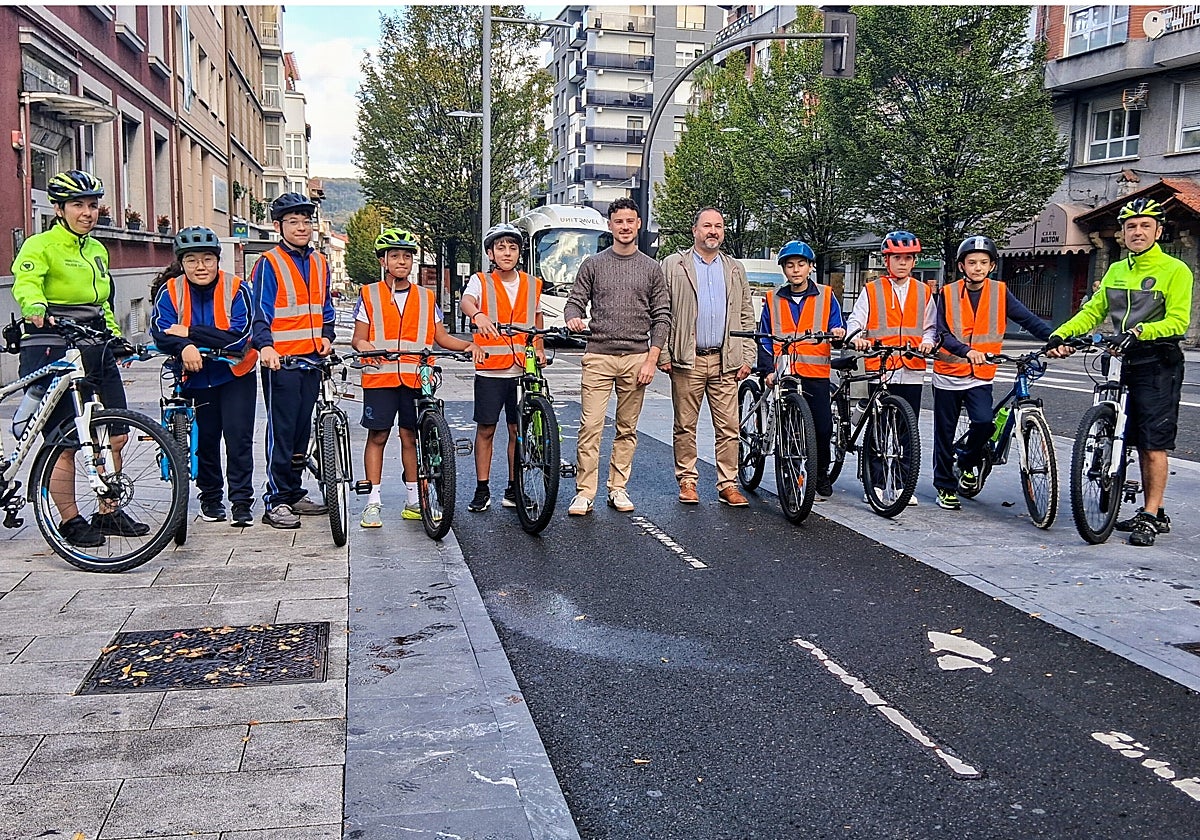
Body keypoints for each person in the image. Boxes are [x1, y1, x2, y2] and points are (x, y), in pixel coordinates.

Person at [1047, 198, 1194, 546]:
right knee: (1116, 430)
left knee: (1152, 443)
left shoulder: (1176, 270)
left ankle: (1150, 513)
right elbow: (1092, 311)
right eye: (1131, 226)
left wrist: (1142, 331)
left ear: (1158, 230)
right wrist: (1062, 333)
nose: (1137, 231)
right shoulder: (1115, 270)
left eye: (1145, 225)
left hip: (1157, 361)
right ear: (1123, 233)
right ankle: (1113, 473)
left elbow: (1178, 320)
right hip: (1120, 358)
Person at [10, 169, 145, 547]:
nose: (87, 212)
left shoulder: (97, 249)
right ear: (58, 208)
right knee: (66, 440)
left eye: (92, 204)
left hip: (93, 343)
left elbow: (102, 303)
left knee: (116, 432)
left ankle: (108, 511)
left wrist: (116, 338)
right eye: (78, 205)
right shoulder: (40, 245)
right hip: (51, 342)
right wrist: (35, 305)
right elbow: (26, 281)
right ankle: (70, 520)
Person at [353, 229, 484, 527]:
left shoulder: (426, 297)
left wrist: (467, 345)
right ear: (383, 260)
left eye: (407, 256)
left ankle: (414, 500)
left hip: (416, 377)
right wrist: (365, 346)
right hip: (381, 377)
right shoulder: (369, 294)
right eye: (395, 256)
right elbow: (358, 338)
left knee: (410, 437)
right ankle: (372, 503)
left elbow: (439, 337)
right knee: (378, 436)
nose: (402, 261)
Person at [564, 197, 671, 515]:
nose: (624, 227)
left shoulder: (652, 268)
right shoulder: (593, 264)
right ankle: (585, 492)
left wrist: (652, 359)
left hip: (637, 358)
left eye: (630, 221)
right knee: (591, 426)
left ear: (638, 224)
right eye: (618, 221)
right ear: (610, 226)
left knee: (627, 428)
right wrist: (573, 317)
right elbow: (575, 301)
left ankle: (618, 488)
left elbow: (662, 316)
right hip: (598, 355)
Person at [930, 235, 1052, 511]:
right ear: (962, 266)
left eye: (983, 263)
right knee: (944, 433)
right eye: (972, 262)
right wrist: (964, 350)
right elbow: (942, 332)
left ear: (992, 266)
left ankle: (967, 463)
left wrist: (1056, 338)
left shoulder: (999, 292)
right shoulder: (947, 293)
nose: (977, 267)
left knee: (984, 423)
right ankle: (945, 486)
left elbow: (1028, 319)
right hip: (949, 372)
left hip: (980, 374)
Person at [151, 227, 258, 526]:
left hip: (235, 373)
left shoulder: (237, 288)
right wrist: (185, 346)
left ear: (217, 261)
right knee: (205, 440)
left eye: (208, 259)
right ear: (182, 263)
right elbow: (160, 332)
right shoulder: (170, 291)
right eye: (193, 260)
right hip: (194, 376)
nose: (201, 266)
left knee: (238, 439)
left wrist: (188, 334)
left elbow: (239, 338)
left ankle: (241, 501)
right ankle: (211, 498)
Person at [659, 208, 755, 506]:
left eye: (718, 226)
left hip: (726, 360)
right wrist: (663, 352)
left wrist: (747, 355)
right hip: (688, 359)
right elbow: (661, 311)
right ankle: (687, 480)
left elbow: (746, 314)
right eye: (707, 226)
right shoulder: (675, 266)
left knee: (729, 426)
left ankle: (728, 483)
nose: (713, 231)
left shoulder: (734, 268)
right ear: (695, 231)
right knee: (685, 425)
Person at [250, 192, 335, 529]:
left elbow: (325, 308)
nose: (302, 228)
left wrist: (327, 334)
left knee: (302, 431)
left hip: (312, 359)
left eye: (306, 221)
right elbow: (259, 312)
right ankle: (276, 500)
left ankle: (295, 490)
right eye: (293, 222)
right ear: (278, 226)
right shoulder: (268, 263)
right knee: (282, 431)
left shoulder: (319, 262)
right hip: (280, 362)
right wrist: (265, 347)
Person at [846, 230, 937, 505]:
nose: (902, 263)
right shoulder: (872, 290)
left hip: (911, 368)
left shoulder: (923, 292)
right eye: (897, 258)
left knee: (907, 430)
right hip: (881, 367)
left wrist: (927, 342)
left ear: (914, 262)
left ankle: (901, 485)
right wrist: (857, 339)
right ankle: (874, 484)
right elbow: (855, 320)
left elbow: (931, 327)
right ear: (887, 260)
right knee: (878, 428)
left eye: (907, 259)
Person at [459, 222, 544, 513]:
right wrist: (478, 314)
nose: (507, 252)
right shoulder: (480, 281)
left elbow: (536, 316)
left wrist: (540, 347)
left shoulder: (532, 283)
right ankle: (482, 488)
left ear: (520, 252)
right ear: (491, 253)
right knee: (486, 429)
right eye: (500, 247)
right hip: (490, 369)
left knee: (517, 429)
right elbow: (466, 301)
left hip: (521, 370)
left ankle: (513, 487)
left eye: (512, 247)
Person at [754, 240, 846, 498]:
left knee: (823, 428)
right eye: (790, 265)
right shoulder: (772, 299)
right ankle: (791, 474)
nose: (796, 270)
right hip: (785, 374)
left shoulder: (827, 296)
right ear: (784, 269)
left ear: (810, 267)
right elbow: (764, 337)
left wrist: (838, 333)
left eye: (801, 265)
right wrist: (767, 370)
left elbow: (837, 328)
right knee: (790, 430)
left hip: (815, 374)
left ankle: (820, 475)